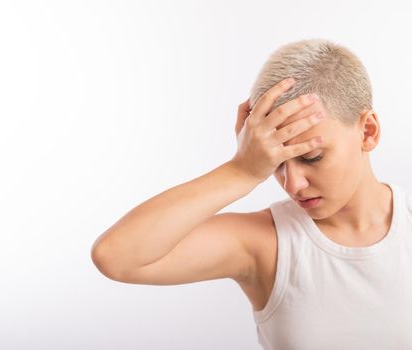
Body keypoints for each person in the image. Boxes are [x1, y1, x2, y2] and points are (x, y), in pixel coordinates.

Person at [90, 38, 412, 349]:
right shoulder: (266, 244)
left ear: (367, 132)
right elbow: (115, 255)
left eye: (311, 157)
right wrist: (241, 171)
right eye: (276, 163)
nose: (292, 184)